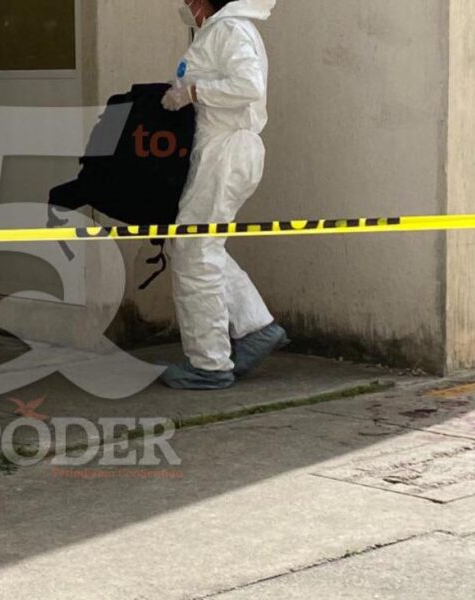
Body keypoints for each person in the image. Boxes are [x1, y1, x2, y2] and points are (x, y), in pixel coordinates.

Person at [159, 0, 287, 390]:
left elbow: (248, 86)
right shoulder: (223, 30)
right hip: (221, 151)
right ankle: (255, 327)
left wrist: (194, 92)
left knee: (194, 251)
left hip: (226, 152)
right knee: (201, 246)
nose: (184, 4)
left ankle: (209, 364)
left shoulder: (231, 29)